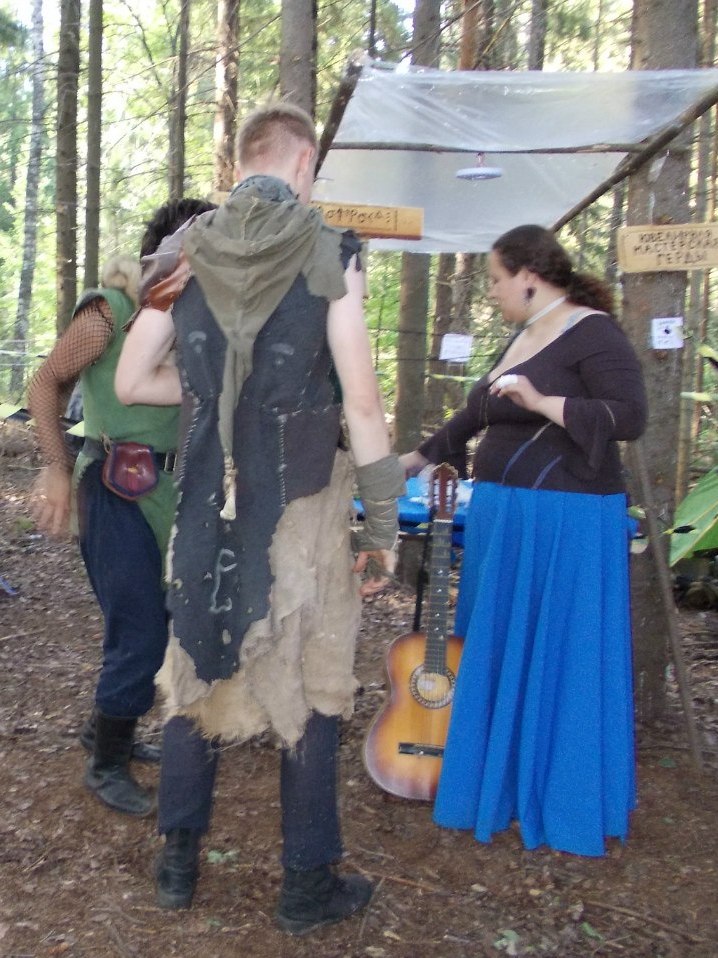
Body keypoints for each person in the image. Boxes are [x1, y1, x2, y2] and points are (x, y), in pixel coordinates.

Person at [115, 102, 402, 933]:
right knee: (312, 674)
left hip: (206, 500)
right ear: (304, 162)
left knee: (193, 667)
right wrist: (382, 527)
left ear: (242, 163)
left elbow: (132, 381)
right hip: (300, 506)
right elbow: (363, 403)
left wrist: (214, 398)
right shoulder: (329, 248)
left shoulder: (184, 251)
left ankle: (176, 867)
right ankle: (305, 883)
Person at [402, 224, 648, 857]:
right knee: (500, 646)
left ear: (529, 277)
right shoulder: (524, 334)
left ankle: (559, 794)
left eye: (495, 279)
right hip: (506, 519)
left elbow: (630, 415)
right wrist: (415, 458)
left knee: (557, 652)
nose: (490, 291)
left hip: (565, 521)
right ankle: (499, 782)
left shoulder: (593, 331)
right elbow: (476, 414)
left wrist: (542, 401)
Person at [28, 198, 216, 817]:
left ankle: (107, 730)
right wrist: (57, 467)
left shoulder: (196, 320)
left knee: (151, 619)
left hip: (171, 492)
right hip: (113, 486)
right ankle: (105, 763)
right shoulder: (110, 308)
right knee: (140, 629)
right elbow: (44, 382)